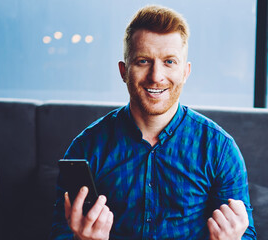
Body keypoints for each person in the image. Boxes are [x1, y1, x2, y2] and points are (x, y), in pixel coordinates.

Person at [51, 5, 257, 240]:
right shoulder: (86, 148)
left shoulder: (219, 149)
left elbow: (247, 233)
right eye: (143, 61)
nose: (156, 76)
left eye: (169, 62)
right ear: (123, 71)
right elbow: (60, 232)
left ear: (185, 72)